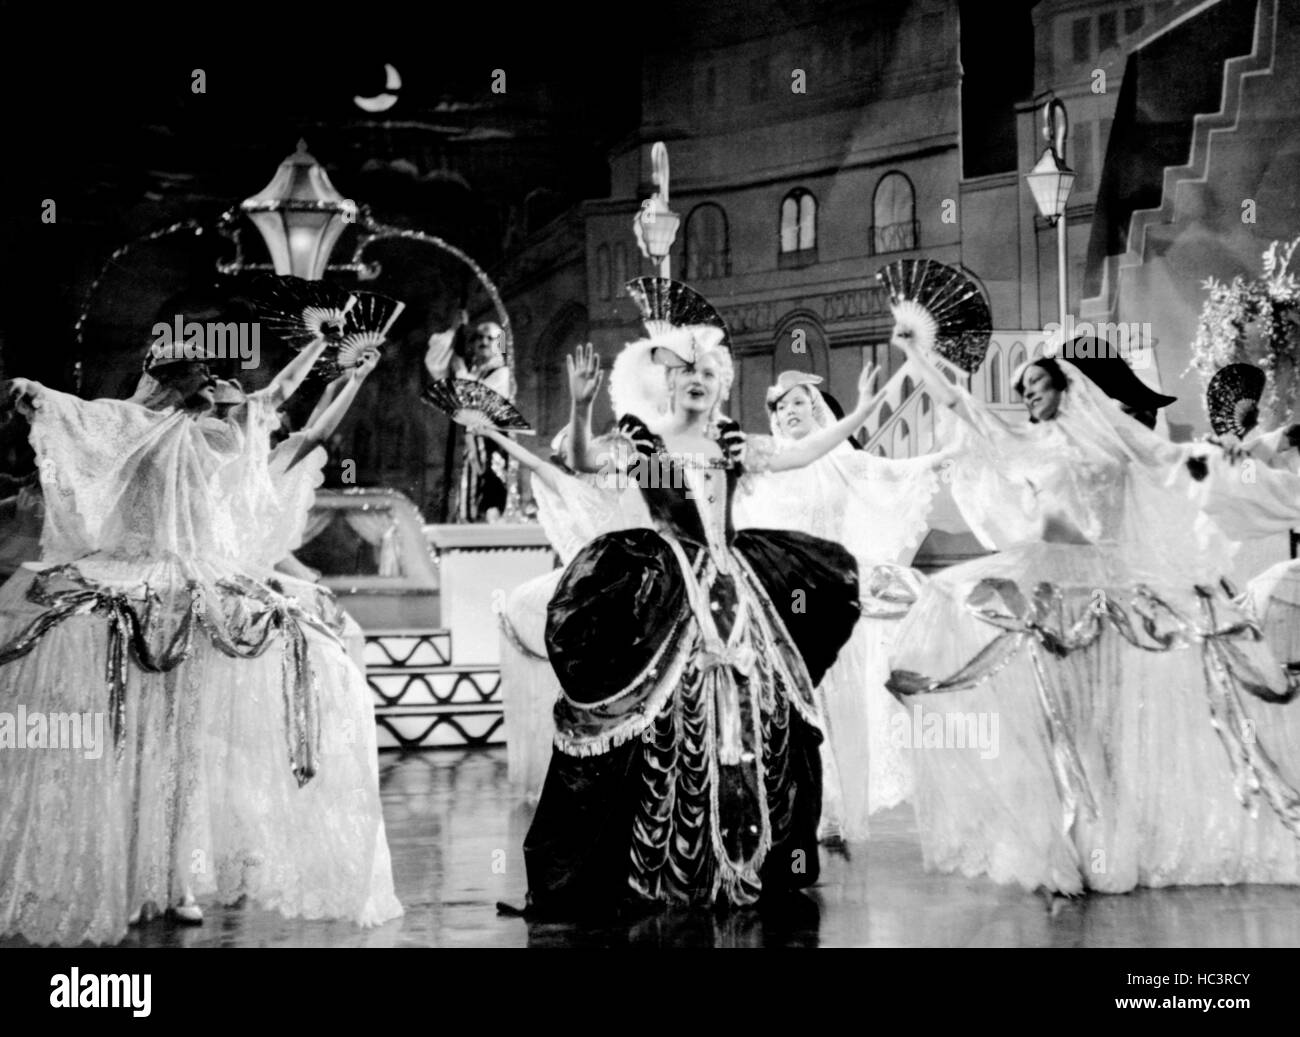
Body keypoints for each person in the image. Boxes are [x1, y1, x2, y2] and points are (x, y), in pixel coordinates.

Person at [883, 297, 1300, 897]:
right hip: (1050, 589)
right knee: (1062, 720)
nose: (1027, 395)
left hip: (1114, 592)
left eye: (1036, 385)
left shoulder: (1118, 443)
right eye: (1022, 388)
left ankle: (1113, 844)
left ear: (1067, 387)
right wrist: (913, 352)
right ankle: (1073, 845)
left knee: (1107, 723)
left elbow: (1186, 462)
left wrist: (1243, 449)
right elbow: (958, 403)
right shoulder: (1025, 443)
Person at [0, 334, 401, 945]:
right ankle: (129, 875)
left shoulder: (220, 436)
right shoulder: (130, 423)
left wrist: (337, 365)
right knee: (131, 742)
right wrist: (38, 396)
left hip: (196, 588)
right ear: (171, 379)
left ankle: (175, 878)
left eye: (212, 377)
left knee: (185, 749)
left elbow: (289, 412)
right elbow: (81, 413)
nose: (213, 386)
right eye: (198, 376)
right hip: (134, 582)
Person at [479, 317, 881, 915]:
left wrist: (863, 408)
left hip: (740, 588)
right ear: (667, 384)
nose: (699, 380)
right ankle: (666, 866)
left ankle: (746, 859)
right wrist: (580, 403)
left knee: (765, 716)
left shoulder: (731, 443)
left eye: (708, 373)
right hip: (669, 591)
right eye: (687, 372)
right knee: (657, 718)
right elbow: (586, 460)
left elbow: (808, 451)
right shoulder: (644, 442)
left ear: (721, 385)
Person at [733, 371, 946, 843]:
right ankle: (791, 811)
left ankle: (838, 811)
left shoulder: (837, 460)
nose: (789, 412)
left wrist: (941, 459)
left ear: (816, 410)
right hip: (780, 597)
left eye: (799, 404)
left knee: (837, 702)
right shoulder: (767, 469)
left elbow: (889, 474)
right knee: (791, 702)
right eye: (781, 406)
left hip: (827, 594)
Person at [426, 311, 513, 522]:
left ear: (498, 343)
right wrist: (454, 330)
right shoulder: (472, 371)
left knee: (490, 497)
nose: (483, 342)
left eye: (489, 338)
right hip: (472, 444)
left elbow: (477, 399)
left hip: (493, 444)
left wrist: (461, 371)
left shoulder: (502, 374)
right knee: (468, 499)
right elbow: (435, 363)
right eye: (478, 337)